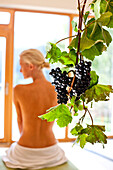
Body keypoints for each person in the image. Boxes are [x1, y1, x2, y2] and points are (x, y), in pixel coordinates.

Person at [2, 49, 67, 169]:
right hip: (51, 151)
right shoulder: (56, 90)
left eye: (21, 66)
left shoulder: (18, 90)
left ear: (31, 66)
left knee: (9, 152)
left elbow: (20, 121)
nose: (20, 70)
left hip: (25, 152)